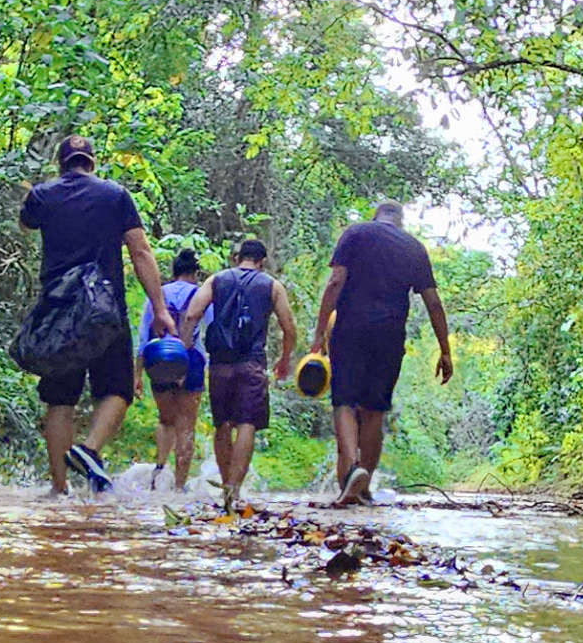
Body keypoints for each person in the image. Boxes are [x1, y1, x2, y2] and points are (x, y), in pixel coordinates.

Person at [21, 135, 175, 495]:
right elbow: (140, 251)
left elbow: (26, 223)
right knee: (118, 390)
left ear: (61, 163)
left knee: (59, 400)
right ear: (92, 162)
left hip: (58, 311)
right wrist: (160, 309)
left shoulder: (43, 194)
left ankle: (60, 489)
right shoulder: (115, 195)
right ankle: (89, 449)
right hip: (104, 310)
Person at [309, 200, 453, 506]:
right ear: (400, 221)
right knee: (375, 409)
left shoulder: (355, 233)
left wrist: (320, 331)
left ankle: (353, 469)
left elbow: (335, 282)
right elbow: (433, 302)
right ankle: (363, 488)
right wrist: (445, 350)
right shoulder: (413, 247)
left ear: (376, 216)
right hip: (389, 336)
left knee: (344, 402)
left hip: (350, 330)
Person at [179, 238, 298, 510]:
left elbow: (192, 314)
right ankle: (234, 489)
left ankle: (226, 488)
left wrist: (185, 350)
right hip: (251, 363)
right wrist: (284, 359)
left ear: (237, 258)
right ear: (262, 262)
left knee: (222, 423)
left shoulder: (216, 280)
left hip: (220, 363)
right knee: (247, 423)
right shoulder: (272, 286)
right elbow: (289, 327)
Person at [135, 247, 210, 490]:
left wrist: (137, 373)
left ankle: (159, 471)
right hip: (191, 359)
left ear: (174, 271)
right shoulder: (201, 295)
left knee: (166, 419)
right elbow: (212, 329)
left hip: (158, 358)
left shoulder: (158, 295)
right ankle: (178, 486)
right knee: (186, 425)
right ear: (195, 273)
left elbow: (143, 335)